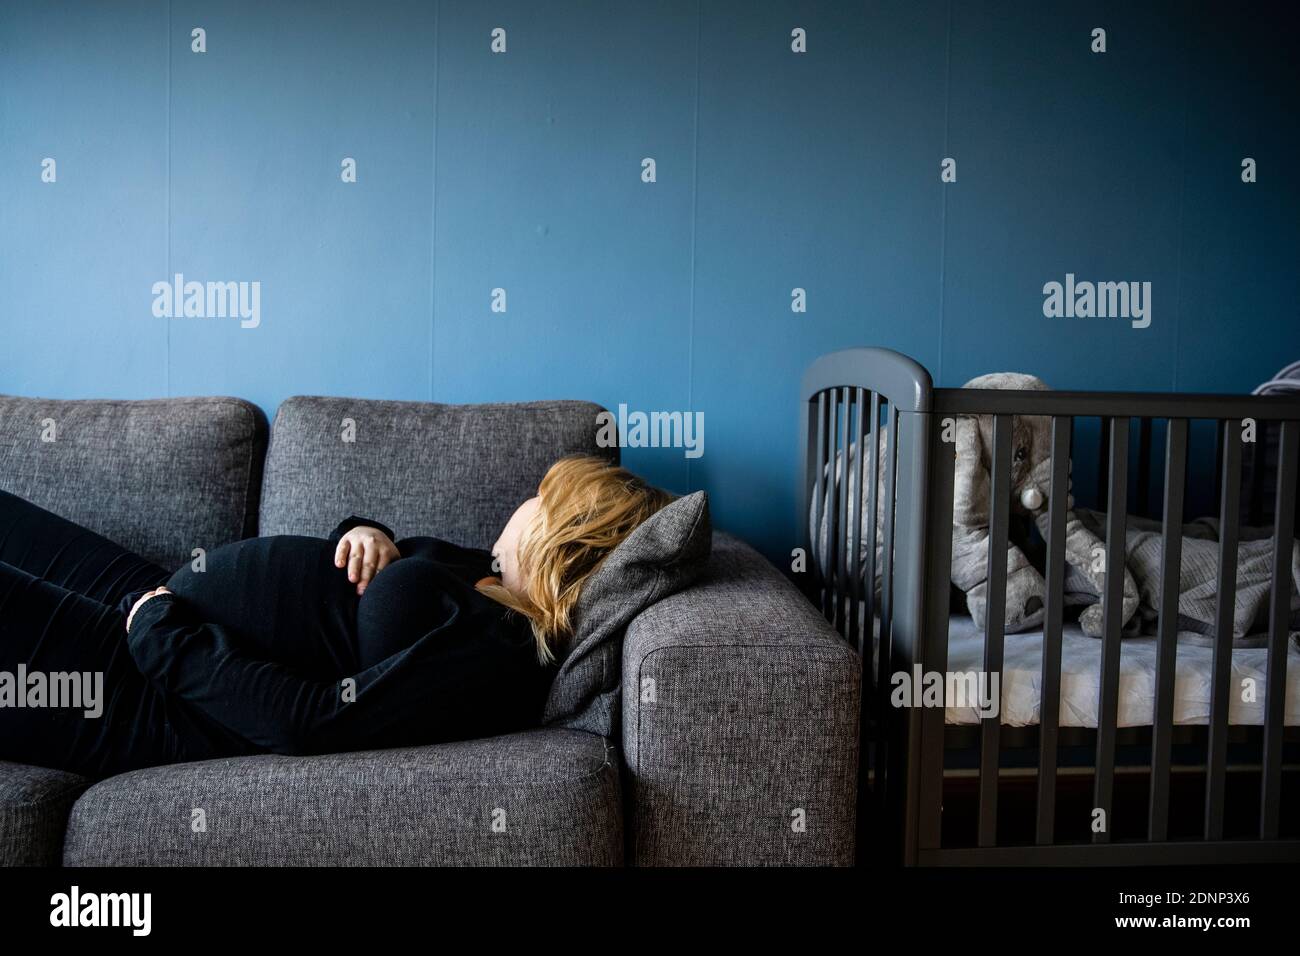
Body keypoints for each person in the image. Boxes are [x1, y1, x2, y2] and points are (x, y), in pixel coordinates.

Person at [0, 455, 671, 778]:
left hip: (156, 684)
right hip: (165, 604)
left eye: (539, 498)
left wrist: (165, 640)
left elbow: (315, 722)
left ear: (561, 539)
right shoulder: (489, 577)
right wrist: (368, 530)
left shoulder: (495, 650)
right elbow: (385, 577)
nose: (522, 500)